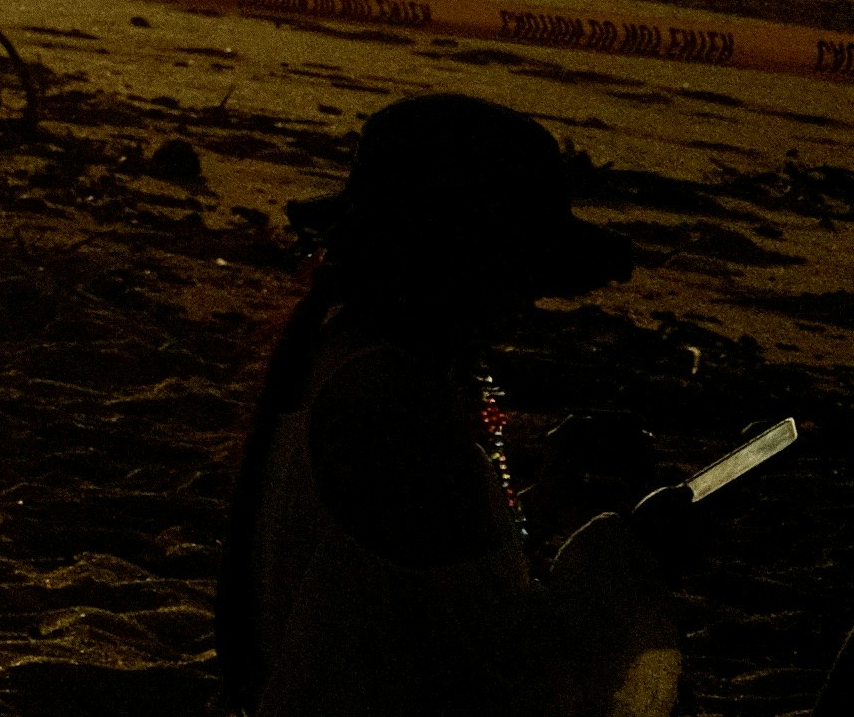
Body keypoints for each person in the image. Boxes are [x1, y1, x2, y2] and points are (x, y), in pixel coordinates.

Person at [215, 91, 691, 716]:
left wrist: (550, 506)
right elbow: (500, 677)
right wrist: (627, 557)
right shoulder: (393, 407)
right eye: (520, 273)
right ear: (459, 264)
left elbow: (408, 594)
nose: (529, 302)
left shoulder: (354, 358)